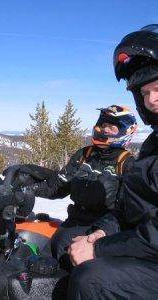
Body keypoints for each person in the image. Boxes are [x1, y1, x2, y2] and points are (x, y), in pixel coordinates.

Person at [66, 24, 158, 299]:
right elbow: (135, 207)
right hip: (145, 246)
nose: (152, 99)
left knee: (91, 280)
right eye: (144, 93)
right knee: (65, 244)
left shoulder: (126, 158)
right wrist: (101, 233)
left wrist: (100, 249)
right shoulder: (153, 145)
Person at [3, 105, 137, 271]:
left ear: (125, 131)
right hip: (72, 223)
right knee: (38, 264)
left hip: (100, 231)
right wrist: (29, 188)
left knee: (75, 273)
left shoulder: (127, 164)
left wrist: (102, 233)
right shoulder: (84, 155)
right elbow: (59, 185)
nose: (104, 130)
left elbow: (126, 211)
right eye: (102, 125)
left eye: (111, 127)